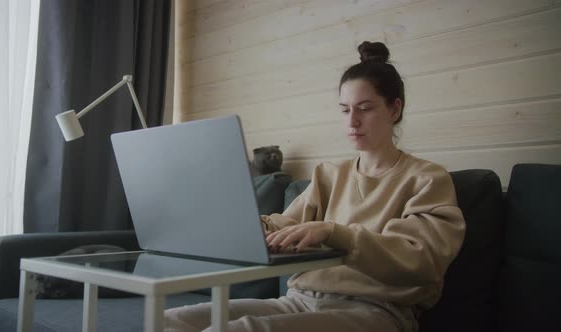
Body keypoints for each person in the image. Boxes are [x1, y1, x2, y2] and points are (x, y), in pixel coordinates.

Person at [164, 41, 466, 332]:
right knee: (170, 320)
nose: (353, 121)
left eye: (365, 108)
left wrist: (333, 232)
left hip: (376, 311)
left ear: (394, 109)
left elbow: (419, 260)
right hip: (299, 301)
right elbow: (285, 224)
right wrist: (243, 224)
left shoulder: (427, 179)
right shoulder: (329, 174)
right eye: (345, 110)